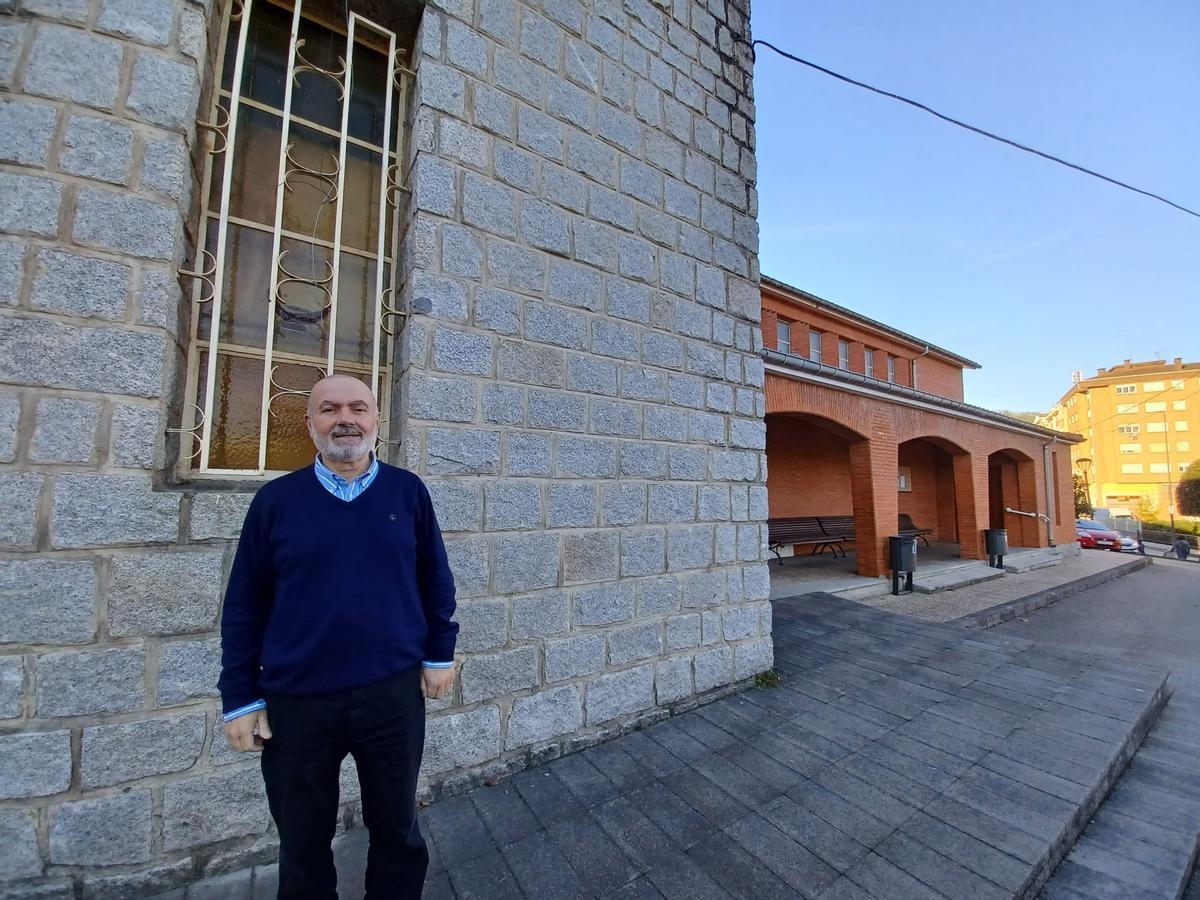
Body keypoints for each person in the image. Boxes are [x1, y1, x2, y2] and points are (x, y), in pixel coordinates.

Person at [218, 374, 458, 899]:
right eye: (329, 409)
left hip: (390, 697)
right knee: (302, 842)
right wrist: (239, 698)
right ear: (310, 424)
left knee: (397, 830)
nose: (344, 418)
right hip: (298, 703)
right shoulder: (275, 502)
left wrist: (441, 651)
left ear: (376, 420)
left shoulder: (407, 492)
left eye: (357, 407)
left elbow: (434, 579)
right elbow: (244, 605)